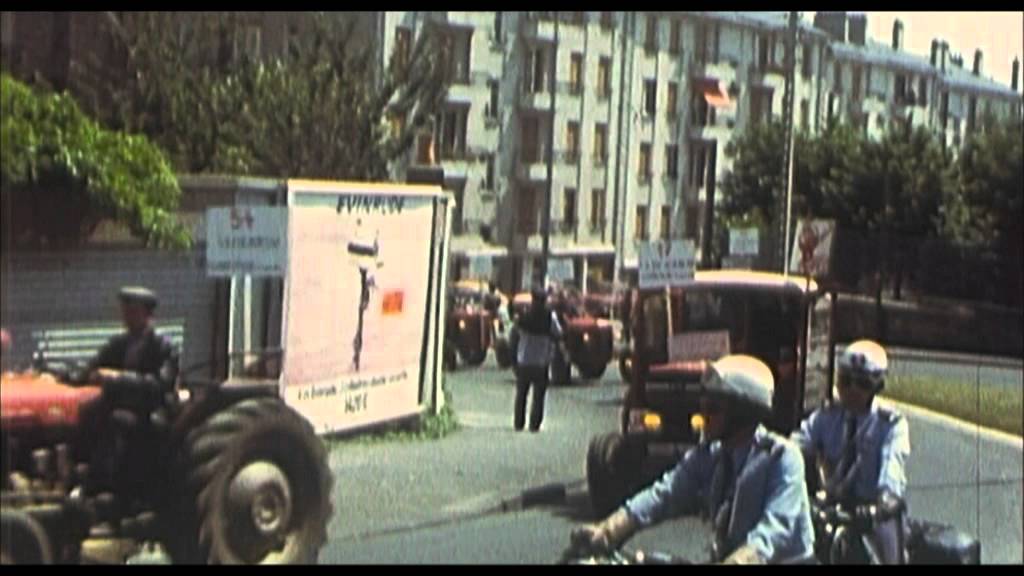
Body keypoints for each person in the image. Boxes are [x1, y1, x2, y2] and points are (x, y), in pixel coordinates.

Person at [571, 355, 815, 564]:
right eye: (703, 405)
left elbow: (777, 527)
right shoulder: (710, 455)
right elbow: (665, 493)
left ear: (742, 412)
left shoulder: (780, 456)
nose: (703, 415)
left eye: (713, 408)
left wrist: (743, 559)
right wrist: (610, 529)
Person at [791, 339, 909, 564]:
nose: (852, 390)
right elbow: (798, 443)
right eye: (845, 381)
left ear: (877, 386)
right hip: (829, 506)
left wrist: (881, 504)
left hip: (872, 512)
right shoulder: (827, 415)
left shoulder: (890, 424)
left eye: (862, 384)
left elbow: (891, 471)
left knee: (885, 556)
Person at [88, 286, 178, 388]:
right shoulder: (117, 343)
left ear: (148, 314)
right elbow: (93, 367)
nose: (127, 317)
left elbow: (164, 383)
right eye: (125, 311)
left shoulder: (163, 345)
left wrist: (119, 378)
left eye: (133, 312)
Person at [513, 287, 563, 432]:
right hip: (541, 362)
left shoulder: (524, 316)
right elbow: (559, 333)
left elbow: (515, 333)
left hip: (524, 360)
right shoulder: (550, 317)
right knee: (538, 396)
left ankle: (519, 423)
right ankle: (534, 424)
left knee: (521, 394)